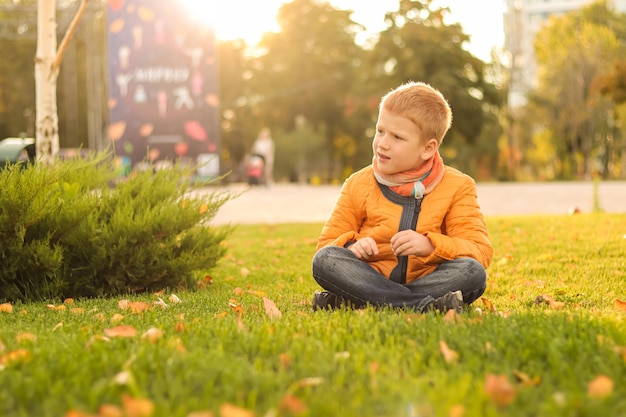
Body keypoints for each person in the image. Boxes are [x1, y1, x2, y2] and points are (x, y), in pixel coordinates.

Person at [311, 81, 493, 314]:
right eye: (380, 131)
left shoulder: (458, 186)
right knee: (326, 260)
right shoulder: (358, 183)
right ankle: (420, 306)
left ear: (427, 148)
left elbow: (480, 250)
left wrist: (430, 245)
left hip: (427, 281)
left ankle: (363, 301)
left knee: (472, 272)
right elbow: (326, 244)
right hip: (369, 278)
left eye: (397, 137)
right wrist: (352, 246)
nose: (382, 143)